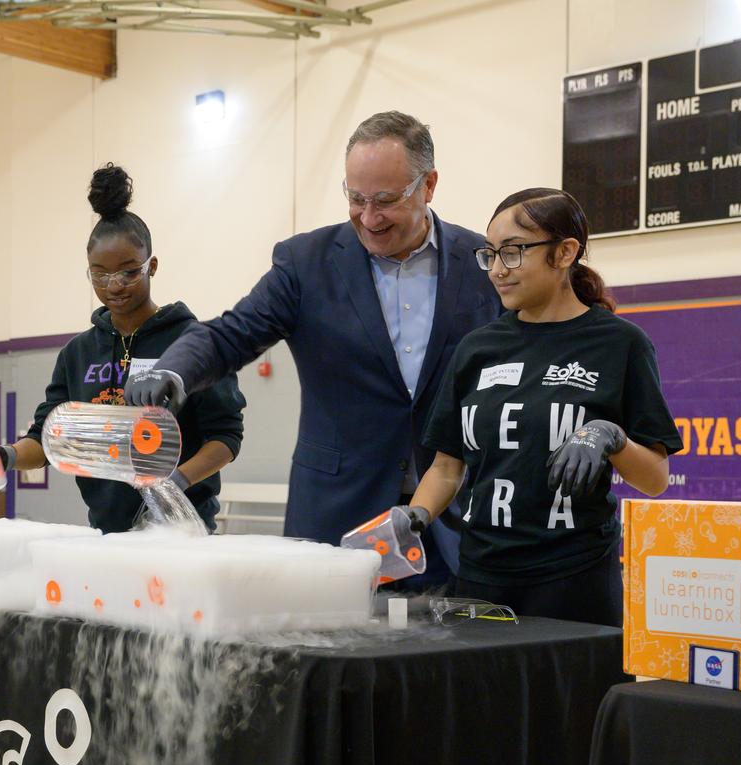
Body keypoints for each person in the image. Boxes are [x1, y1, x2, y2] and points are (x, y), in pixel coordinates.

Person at [125, 111, 502, 587]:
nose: (368, 218)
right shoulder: (306, 264)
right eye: (356, 198)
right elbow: (228, 333)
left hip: (453, 527)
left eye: (385, 201)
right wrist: (173, 371)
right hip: (335, 522)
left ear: (428, 185)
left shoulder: (483, 263)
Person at [404, 187, 682, 625]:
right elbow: (445, 467)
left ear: (565, 252)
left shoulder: (621, 344)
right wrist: (415, 517)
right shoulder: (477, 349)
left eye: (513, 252)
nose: (497, 270)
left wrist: (610, 436)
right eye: (489, 254)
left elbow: (656, 479)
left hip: (575, 578)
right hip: (482, 578)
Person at [1, 163, 245, 533]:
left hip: (180, 531)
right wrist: (6, 456)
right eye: (99, 274)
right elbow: (49, 439)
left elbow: (226, 436)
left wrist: (175, 484)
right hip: (107, 532)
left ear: (152, 266)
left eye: (129, 272)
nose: (114, 285)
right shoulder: (77, 353)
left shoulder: (193, 342)